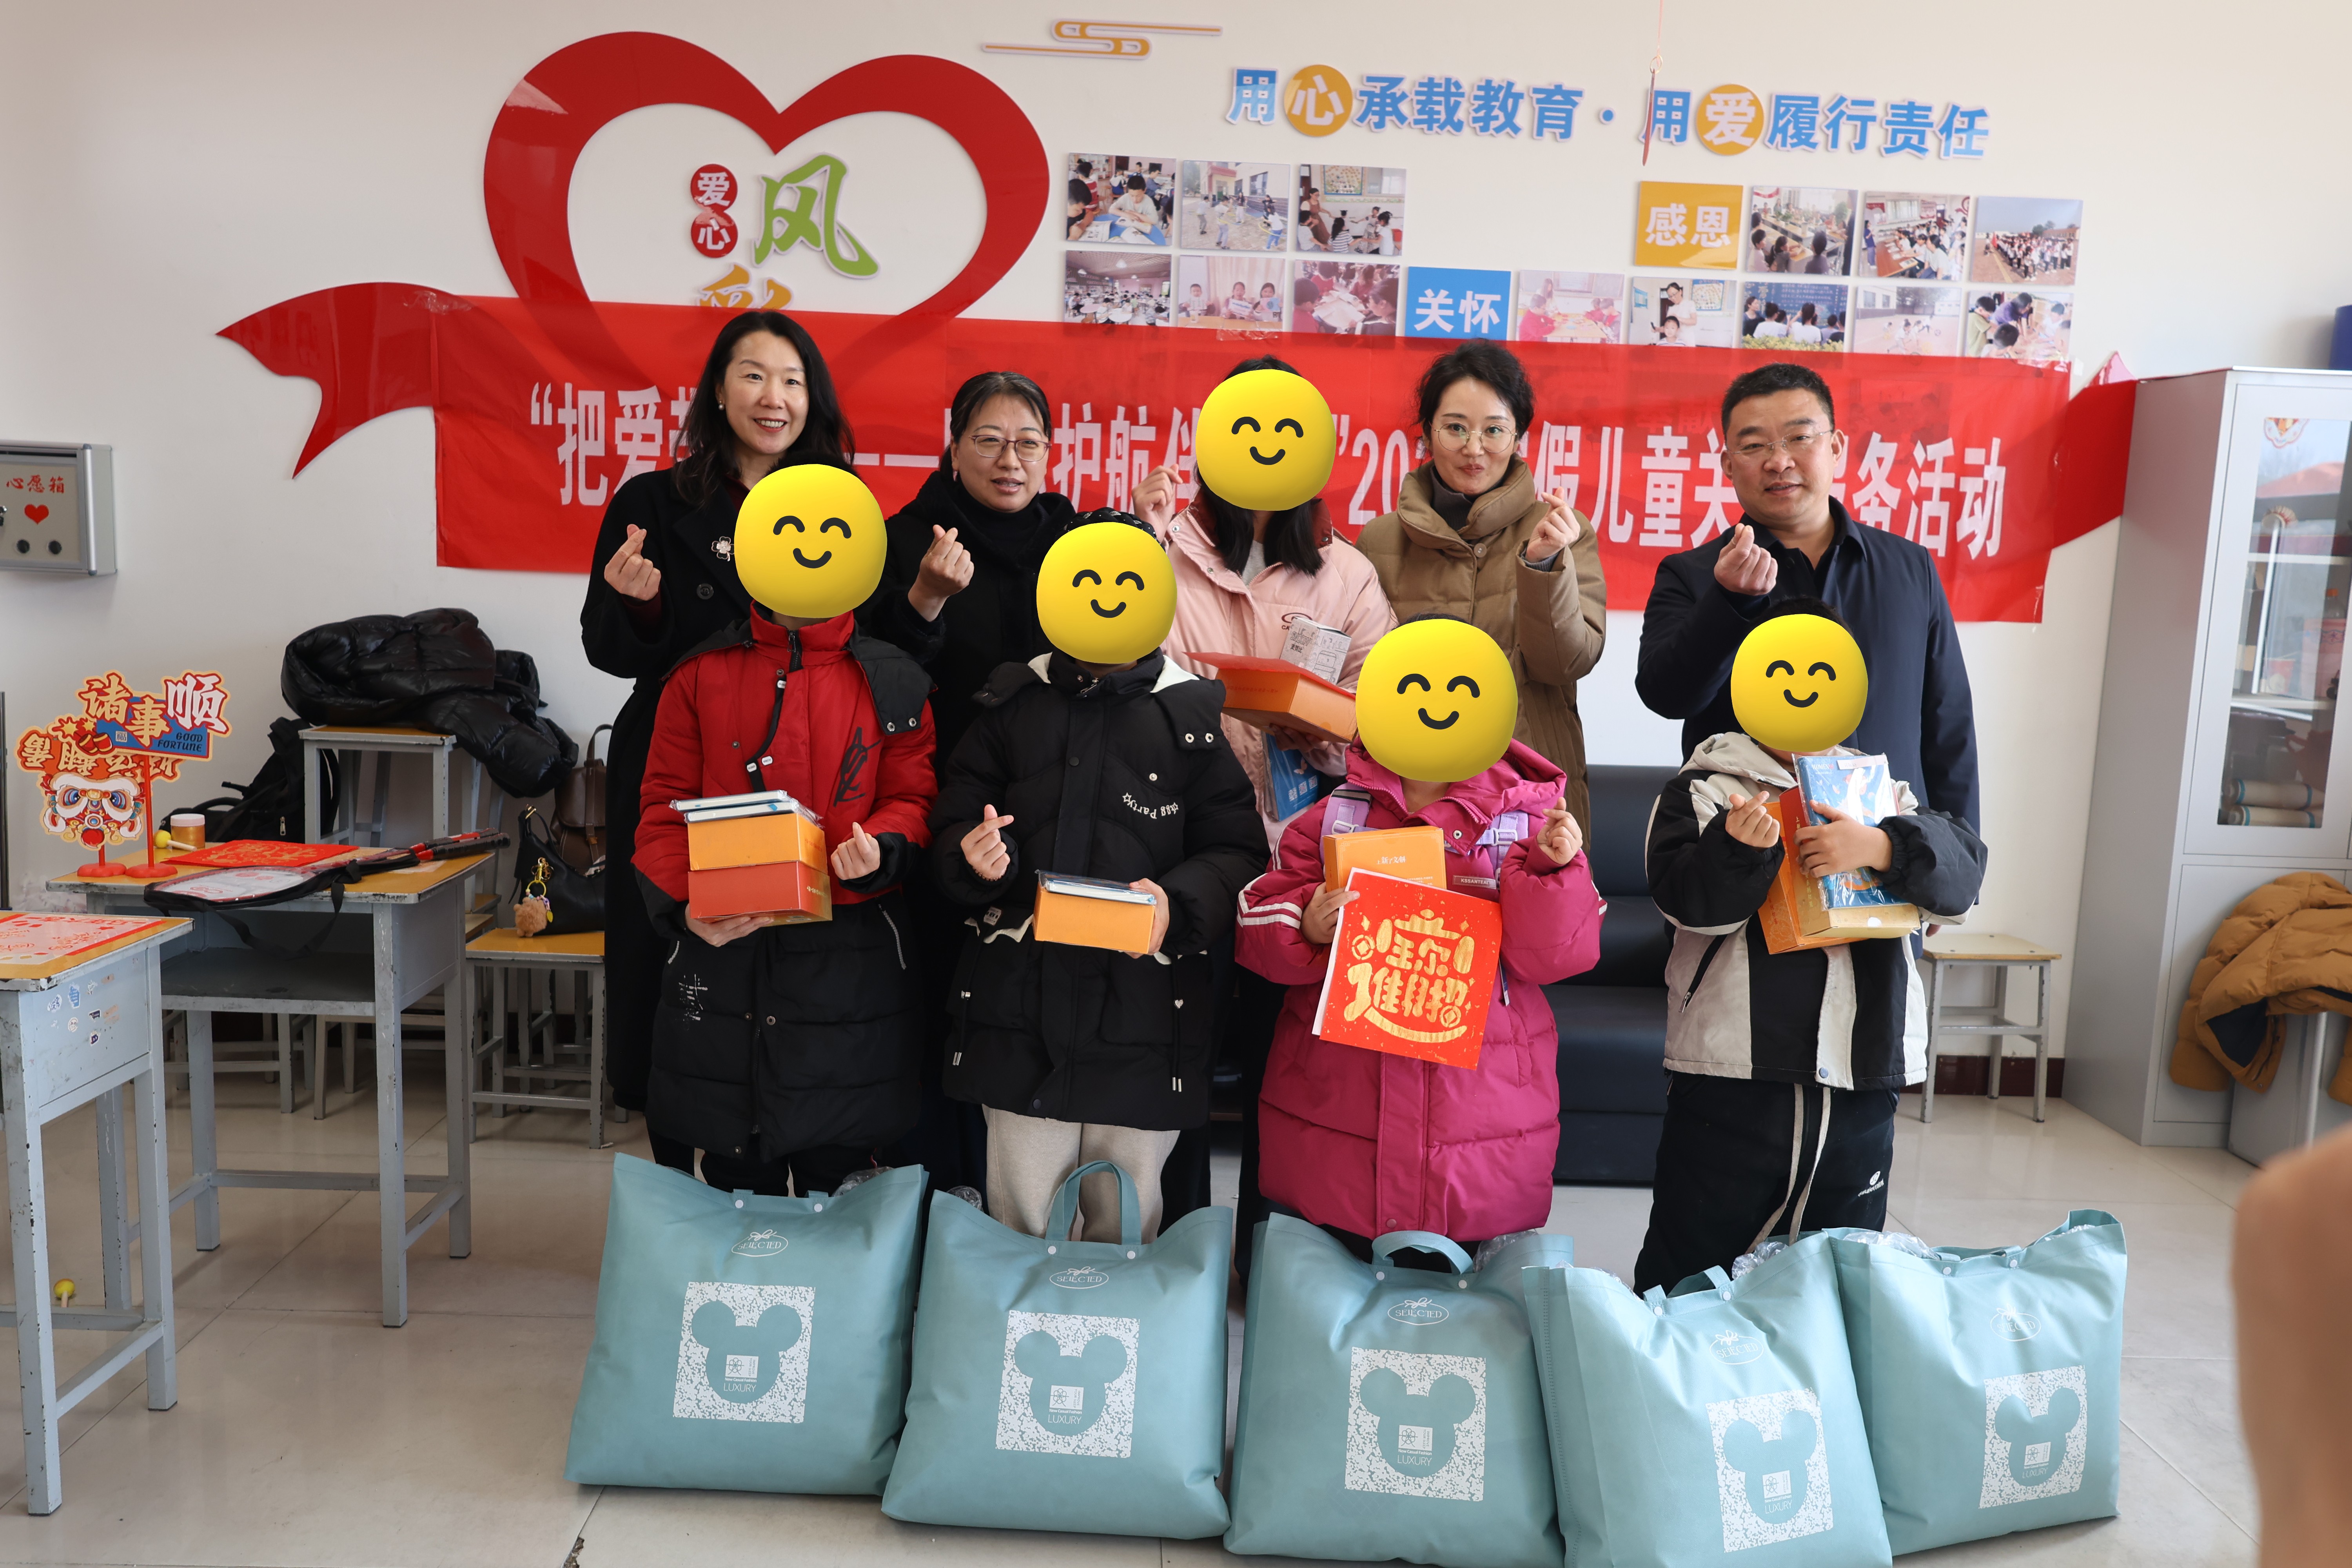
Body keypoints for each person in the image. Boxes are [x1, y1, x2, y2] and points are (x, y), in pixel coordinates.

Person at [929, 515, 1267, 1241]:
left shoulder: (1190, 718)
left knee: (1128, 1228)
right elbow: (953, 822)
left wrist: (1177, 904)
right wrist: (973, 854)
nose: (1108, 597)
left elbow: (1237, 851)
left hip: (1146, 1018)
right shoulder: (1011, 703)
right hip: (1016, 1015)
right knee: (1019, 1225)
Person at [1633, 599, 1985, 1291]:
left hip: (1862, 1071)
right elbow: (1686, 905)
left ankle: (1815, 1361)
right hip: (1734, 1073)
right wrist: (1738, 850)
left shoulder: (1883, 794)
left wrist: (1882, 847)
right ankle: (1672, 1358)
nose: (1801, 686)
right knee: (1693, 1266)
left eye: (1822, 670)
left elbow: (1961, 882)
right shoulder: (1708, 787)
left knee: (1839, 1266)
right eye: (1781, 668)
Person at [1136, 353, 1399, 1260]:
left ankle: (1263, 1259)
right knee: (1175, 1057)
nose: (1263, 449)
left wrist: (1317, 728)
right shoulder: (1161, 552)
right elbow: (1126, 677)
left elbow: (1383, 721)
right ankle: (1177, 1255)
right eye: (1244, 430)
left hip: (1298, 857)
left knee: (1279, 1071)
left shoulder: (1347, 574)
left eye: (1284, 433)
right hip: (1179, 844)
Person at [581, 310, 854, 1165]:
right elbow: (607, 649)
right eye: (754, 375)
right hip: (680, 761)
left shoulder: (836, 503)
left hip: (802, 761)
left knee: (788, 955)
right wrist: (640, 606)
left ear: (813, 398)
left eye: (793, 381)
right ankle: (676, 1151)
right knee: (681, 953)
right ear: (718, 390)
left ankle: (792, 1153)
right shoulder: (653, 502)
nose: (774, 397)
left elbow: (865, 640)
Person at [1236, 617, 1604, 1251]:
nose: (1437, 705)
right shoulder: (1333, 818)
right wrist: (1307, 921)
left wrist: (1551, 871)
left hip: (1479, 1105)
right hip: (1342, 1099)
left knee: (1462, 1297)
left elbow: (1558, 956)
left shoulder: (1529, 825)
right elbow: (1256, 923)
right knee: (1336, 1282)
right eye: (1413, 689)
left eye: (1462, 691)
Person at [631, 468, 940, 1198]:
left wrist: (881, 848)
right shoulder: (698, 675)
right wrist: (685, 908)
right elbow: (662, 810)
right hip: (726, 947)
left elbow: (914, 796)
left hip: (851, 958)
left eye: (831, 533)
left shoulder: (895, 679)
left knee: (844, 1174)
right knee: (738, 1176)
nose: (811, 548)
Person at [858, 370, 1078, 1192]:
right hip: (938, 802)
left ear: (1051, 453)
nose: (1009, 460)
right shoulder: (904, 539)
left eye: (1028, 442)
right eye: (988, 440)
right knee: (935, 991)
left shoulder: (1075, 542)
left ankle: (1022, 1193)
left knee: (1022, 999)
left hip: (1052, 808)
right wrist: (924, 598)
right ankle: (928, 1182)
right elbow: (872, 676)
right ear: (953, 449)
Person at [1636, 361, 1981, 827]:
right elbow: (1666, 697)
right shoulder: (1693, 574)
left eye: (1800, 437)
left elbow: (1948, 724)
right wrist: (1729, 602)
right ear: (1728, 464)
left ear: (1836, 447)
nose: (1779, 461)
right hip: (1745, 849)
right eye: (1754, 445)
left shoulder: (1910, 567)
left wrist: (1959, 855)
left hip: (1890, 847)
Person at [1356, 341, 1608, 834]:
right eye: (1455, 428)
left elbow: (1568, 663)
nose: (1474, 449)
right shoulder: (1379, 540)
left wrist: (1543, 566)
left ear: (1518, 437)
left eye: (1494, 430)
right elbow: (1364, 681)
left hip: (1527, 791)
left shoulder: (1561, 529)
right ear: (1427, 433)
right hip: (1406, 792)